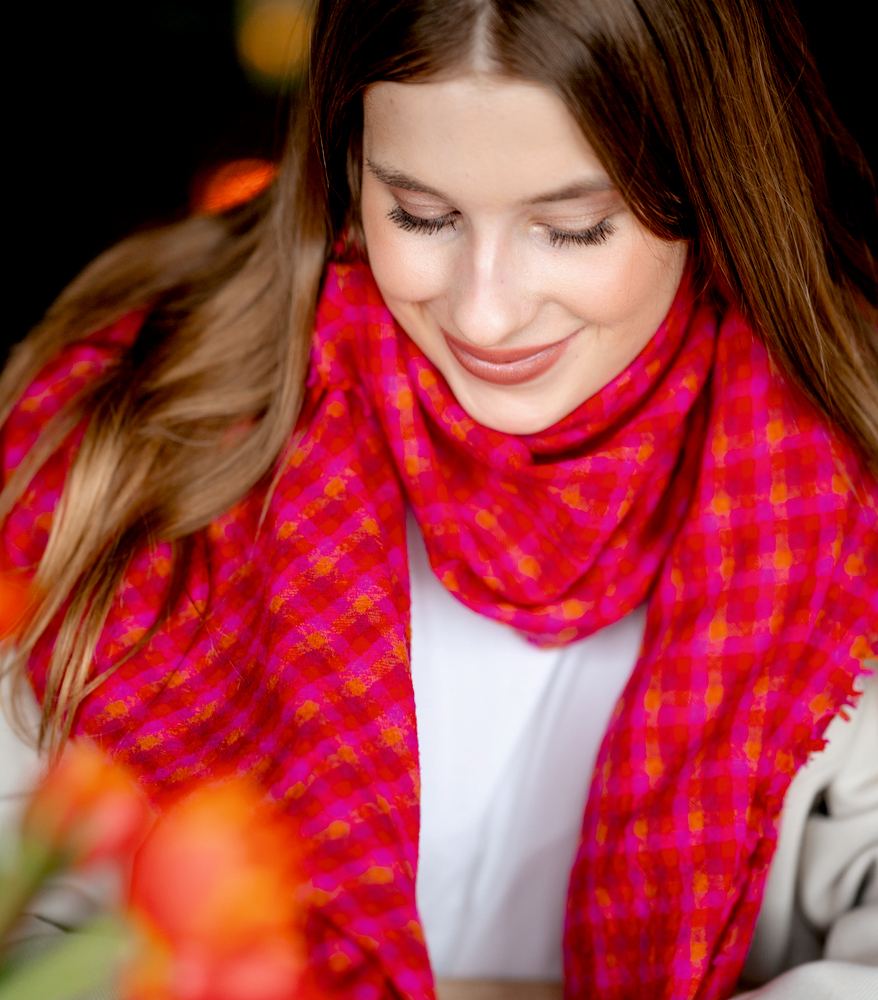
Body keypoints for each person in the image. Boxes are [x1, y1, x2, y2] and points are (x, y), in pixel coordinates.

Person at [1, 1, 876, 997]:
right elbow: (22, 906)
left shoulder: (841, 478)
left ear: (709, 182)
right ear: (346, 162)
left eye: (571, 229)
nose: (484, 309)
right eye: (421, 214)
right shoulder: (130, 431)